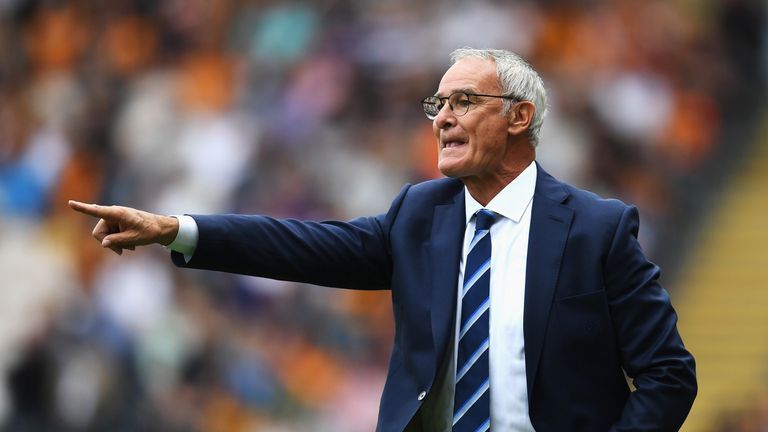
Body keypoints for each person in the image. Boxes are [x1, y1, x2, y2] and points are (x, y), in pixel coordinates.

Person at [70, 48, 697, 431]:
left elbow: (669, 376)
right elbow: (302, 247)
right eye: (437, 103)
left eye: (464, 101)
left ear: (519, 117)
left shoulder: (597, 229)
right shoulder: (419, 215)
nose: (442, 118)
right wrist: (177, 230)